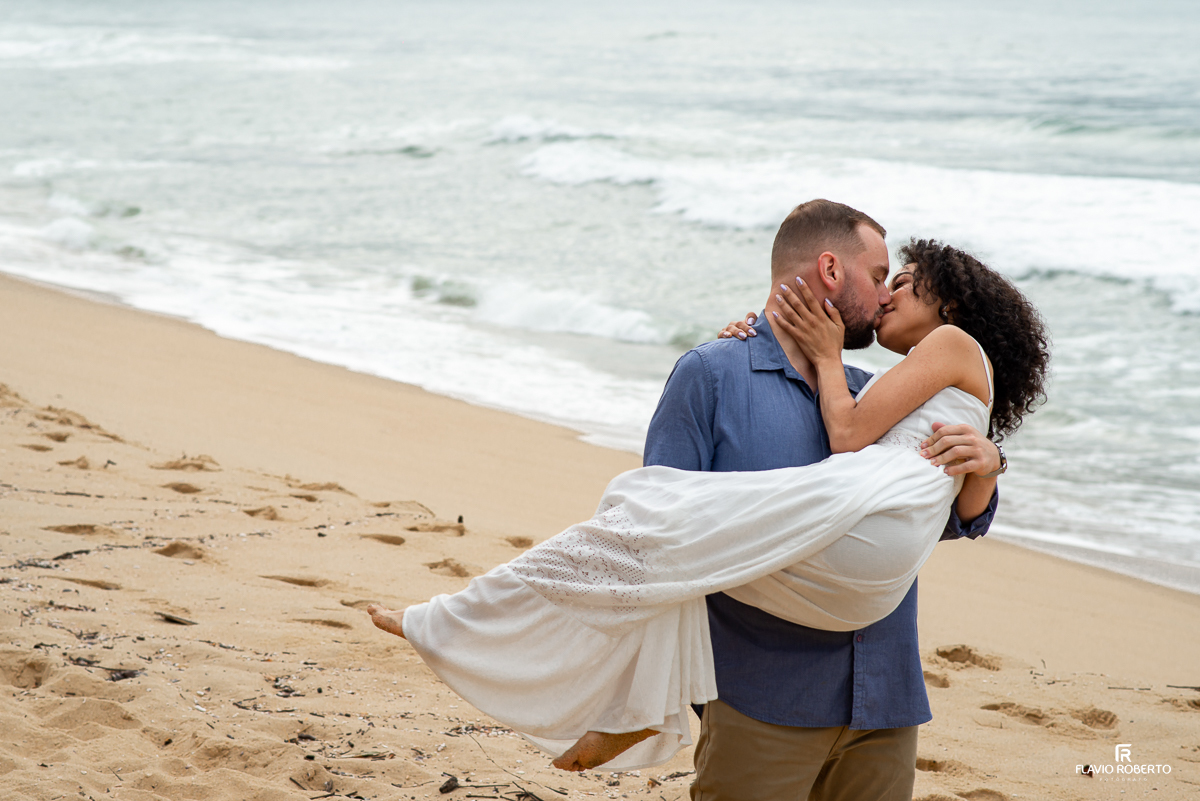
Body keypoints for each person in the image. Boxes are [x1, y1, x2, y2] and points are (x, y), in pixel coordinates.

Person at [365, 201, 1049, 795]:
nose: (886, 295)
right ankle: (460, 628)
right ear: (833, 272)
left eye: (898, 282)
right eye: (879, 278)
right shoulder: (713, 375)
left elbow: (941, 513)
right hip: (763, 700)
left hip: (883, 694)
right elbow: (653, 541)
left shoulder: (870, 385)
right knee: (650, 523)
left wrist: (990, 463)